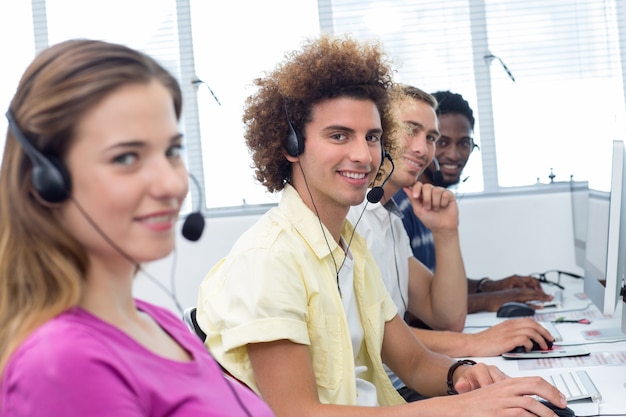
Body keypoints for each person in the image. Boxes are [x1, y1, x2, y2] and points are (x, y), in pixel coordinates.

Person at [196, 34, 566, 416]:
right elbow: (298, 412)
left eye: (372, 137)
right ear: (291, 145)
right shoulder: (269, 260)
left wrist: (469, 376)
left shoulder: (348, 245)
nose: (362, 155)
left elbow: (414, 362)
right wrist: (461, 409)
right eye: (339, 135)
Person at [0, 39, 275, 417]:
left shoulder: (156, 321)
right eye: (127, 157)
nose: (171, 185)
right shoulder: (63, 364)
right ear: (48, 180)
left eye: (172, 151)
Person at [348, 84, 554, 402]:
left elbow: (445, 317)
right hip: (382, 394)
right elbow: (371, 336)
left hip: (400, 385)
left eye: (430, 137)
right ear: (377, 133)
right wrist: (475, 344)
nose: (422, 149)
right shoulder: (352, 220)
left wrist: (446, 232)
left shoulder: (385, 217)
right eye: (410, 131)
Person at [393, 90, 552, 313]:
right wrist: (490, 300)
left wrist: (489, 286)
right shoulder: (398, 206)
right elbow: (411, 308)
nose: (454, 155)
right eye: (441, 141)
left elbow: (434, 286)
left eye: (464, 143)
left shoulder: (428, 202)